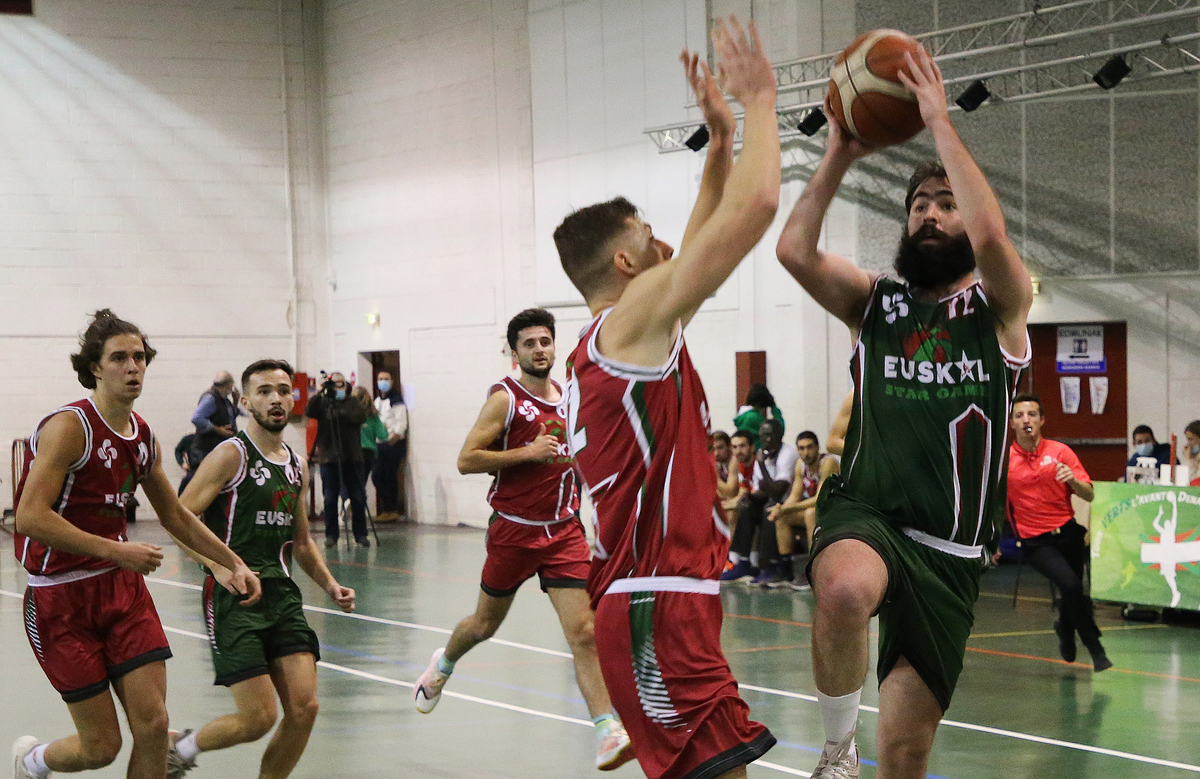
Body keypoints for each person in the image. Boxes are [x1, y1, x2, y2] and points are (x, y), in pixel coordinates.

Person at [775, 46, 1033, 779]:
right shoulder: (875, 302)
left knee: (907, 752)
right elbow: (794, 250)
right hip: (871, 513)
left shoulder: (1001, 308)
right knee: (842, 587)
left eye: (945, 203)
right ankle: (836, 752)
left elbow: (993, 237)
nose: (929, 213)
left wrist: (938, 123)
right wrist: (838, 151)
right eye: (918, 204)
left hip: (952, 553)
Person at [554, 17, 780, 779]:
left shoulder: (620, 340)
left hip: (660, 600)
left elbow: (703, 230)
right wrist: (761, 102)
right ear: (627, 263)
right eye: (650, 235)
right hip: (657, 604)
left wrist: (721, 144)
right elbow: (753, 211)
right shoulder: (628, 329)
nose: (669, 244)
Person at [11, 309, 261, 779]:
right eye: (119, 358)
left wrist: (230, 562)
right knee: (101, 747)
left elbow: (174, 514)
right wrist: (115, 550)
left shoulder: (143, 437)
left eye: (140, 357)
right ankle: (33, 761)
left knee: (155, 726)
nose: (133, 367)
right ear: (94, 367)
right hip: (59, 599)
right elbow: (30, 517)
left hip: (122, 594)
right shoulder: (70, 427)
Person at [412, 308, 633, 771]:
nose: (539, 349)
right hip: (514, 531)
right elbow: (467, 460)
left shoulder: (571, 398)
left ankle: (606, 730)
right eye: (529, 343)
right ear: (514, 352)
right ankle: (443, 664)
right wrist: (527, 453)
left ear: (554, 346)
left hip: (564, 532)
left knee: (585, 632)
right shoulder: (505, 399)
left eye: (545, 341)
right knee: (483, 625)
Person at [167, 359, 356, 779]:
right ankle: (180, 749)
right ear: (246, 402)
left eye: (284, 390)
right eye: (265, 391)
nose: (276, 399)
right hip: (234, 597)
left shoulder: (296, 465)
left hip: (281, 594)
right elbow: (178, 519)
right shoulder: (230, 455)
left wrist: (330, 584)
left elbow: (301, 541)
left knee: (305, 708)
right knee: (258, 719)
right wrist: (218, 566)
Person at [1007, 392, 1111, 672]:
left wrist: (1073, 480)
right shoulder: (1005, 461)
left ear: (1042, 420)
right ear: (1012, 423)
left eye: (1032, 414)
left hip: (1067, 533)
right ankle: (1095, 648)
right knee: (1072, 586)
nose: (1026, 420)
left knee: (1071, 589)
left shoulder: (1060, 452)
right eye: (1019, 415)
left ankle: (1065, 628)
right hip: (1035, 541)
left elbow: (1089, 494)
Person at [722, 419, 798, 586]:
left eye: (771, 435)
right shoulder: (761, 453)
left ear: (780, 435)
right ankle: (743, 562)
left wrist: (763, 466)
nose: (767, 439)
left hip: (790, 502)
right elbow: (760, 490)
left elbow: (779, 492)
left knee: (769, 508)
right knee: (747, 506)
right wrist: (749, 497)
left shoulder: (787, 454)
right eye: (764, 435)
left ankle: (772, 565)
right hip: (772, 499)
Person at [304, 371, 370, 548]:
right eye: (335, 384)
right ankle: (331, 535)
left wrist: (338, 411)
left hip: (352, 456)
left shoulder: (353, 402)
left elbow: (359, 417)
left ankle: (360, 534)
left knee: (357, 497)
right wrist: (320, 393)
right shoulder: (323, 403)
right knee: (329, 498)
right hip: (329, 458)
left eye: (341, 383)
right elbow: (309, 411)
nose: (338, 387)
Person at [768, 430, 840, 590]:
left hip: (837, 511)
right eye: (801, 448)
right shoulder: (800, 465)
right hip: (818, 511)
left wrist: (788, 507)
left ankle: (814, 569)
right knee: (782, 517)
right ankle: (785, 568)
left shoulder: (828, 463)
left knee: (810, 513)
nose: (806, 452)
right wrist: (781, 509)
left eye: (809, 447)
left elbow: (820, 499)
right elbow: (794, 495)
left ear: (818, 447)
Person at [184, 372, 240, 494]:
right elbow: (197, 418)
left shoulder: (223, 399)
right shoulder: (211, 398)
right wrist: (218, 429)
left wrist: (236, 402)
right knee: (202, 486)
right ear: (229, 385)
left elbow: (231, 416)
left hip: (214, 448)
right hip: (205, 449)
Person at [372, 371, 408, 521]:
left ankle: (391, 509)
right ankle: (386, 507)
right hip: (379, 443)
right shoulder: (377, 401)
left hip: (393, 444)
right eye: (380, 379)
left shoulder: (396, 400)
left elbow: (401, 422)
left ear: (392, 382)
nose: (383, 381)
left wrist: (394, 439)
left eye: (386, 379)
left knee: (389, 476)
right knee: (377, 476)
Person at [355, 385, 389, 496]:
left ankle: (350, 500)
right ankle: (360, 501)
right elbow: (383, 436)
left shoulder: (351, 417)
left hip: (353, 452)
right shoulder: (373, 416)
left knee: (352, 482)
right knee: (362, 482)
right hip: (369, 453)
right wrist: (385, 427)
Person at [1184, 420, 1200, 486]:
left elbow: (1187, 479)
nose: (1188, 444)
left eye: (1191, 439)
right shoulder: (1194, 457)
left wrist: (1188, 460)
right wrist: (1188, 459)